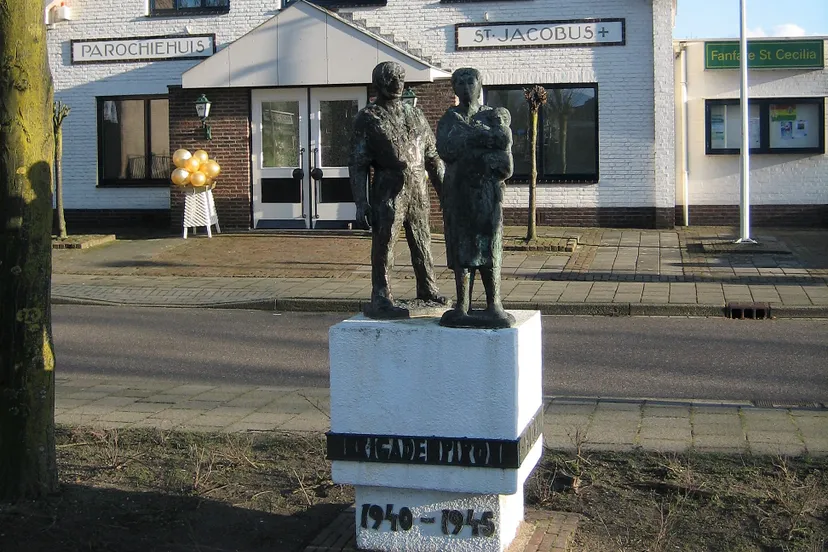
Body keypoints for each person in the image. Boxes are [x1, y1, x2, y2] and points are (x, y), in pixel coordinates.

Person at [349, 61, 446, 317]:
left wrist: (444, 190)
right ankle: (381, 295)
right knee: (385, 244)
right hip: (388, 188)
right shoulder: (368, 117)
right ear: (379, 83)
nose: (398, 83)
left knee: (422, 239)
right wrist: (361, 202)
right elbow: (358, 164)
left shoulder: (415, 114)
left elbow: (432, 155)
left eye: (401, 78)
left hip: (417, 187)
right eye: (392, 78)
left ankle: (427, 288)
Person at [436, 68, 514, 328]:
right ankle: (462, 305)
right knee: (461, 247)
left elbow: (504, 146)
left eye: (471, 80)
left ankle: (494, 303)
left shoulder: (493, 116)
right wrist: (478, 138)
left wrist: (472, 140)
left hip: (486, 192)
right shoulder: (449, 118)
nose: (465, 85)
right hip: (458, 192)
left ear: (480, 85)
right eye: (459, 81)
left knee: (490, 245)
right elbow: (446, 149)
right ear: (453, 88)